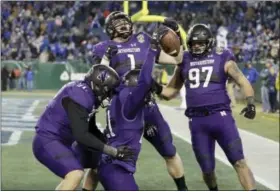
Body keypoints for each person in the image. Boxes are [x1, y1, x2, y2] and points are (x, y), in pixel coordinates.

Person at [153, 24, 257, 190]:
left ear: (209, 42)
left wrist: (251, 102)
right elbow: (171, 91)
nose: (197, 46)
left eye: (201, 43)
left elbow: (242, 80)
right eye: (194, 43)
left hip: (221, 118)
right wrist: (154, 86)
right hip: (198, 122)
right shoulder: (184, 59)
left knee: (239, 161)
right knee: (207, 170)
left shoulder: (222, 55)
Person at [92, 11, 187, 190]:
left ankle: (183, 189)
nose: (122, 25)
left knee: (169, 151)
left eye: (124, 21)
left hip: (147, 106)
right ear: (109, 28)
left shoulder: (143, 39)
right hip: (122, 110)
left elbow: (177, 58)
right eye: (117, 22)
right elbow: (99, 77)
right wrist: (105, 59)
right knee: (105, 156)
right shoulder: (102, 47)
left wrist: (177, 35)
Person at [32, 64, 134, 191]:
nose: (109, 95)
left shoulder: (88, 94)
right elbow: (81, 135)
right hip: (47, 140)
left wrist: (111, 144)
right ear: (98, 86)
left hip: (63, 142)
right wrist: (113, 151)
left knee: (100, 163)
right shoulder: (80, 94)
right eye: (108, 90)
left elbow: (90, 128)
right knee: (75, 174)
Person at [98, 37, 163, 190]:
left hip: (111, 165)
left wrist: (144, 125)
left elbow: (124, 121)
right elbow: (145, 81)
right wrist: (152, 51)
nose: (147, 94)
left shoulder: (119, 98)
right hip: (117, 169)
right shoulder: (130, 100)